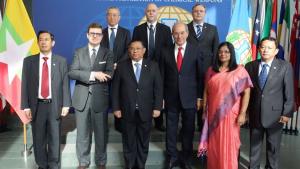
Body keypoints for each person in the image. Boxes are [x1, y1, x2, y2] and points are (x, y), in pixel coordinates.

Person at [198, 42, 252, 169]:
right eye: (221, 51)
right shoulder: (211, 70)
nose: (223, 54)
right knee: (214, 146)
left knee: (230, 145)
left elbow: (247, 93)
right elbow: (206, 91)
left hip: (230, 115)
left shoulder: (239, 70)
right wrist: (204, 111)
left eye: (226, 51)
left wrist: (243, 113)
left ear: (231, 53)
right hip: (212, 115)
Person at [21, 30, 71, 169]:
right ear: (38, 42)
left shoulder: (61, 61)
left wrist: (66, 104)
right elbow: (24, 84)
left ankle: (54, 164)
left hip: (54, 105)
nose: (43, 42)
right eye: (41, 39)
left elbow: (65, 84)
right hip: (37, 106)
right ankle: (41, 165)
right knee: (38, 138)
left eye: (47, 39)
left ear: (52, 43)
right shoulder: (29, 61)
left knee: (55, 138)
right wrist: (25, 106)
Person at [69, 23, 114, 169]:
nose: (95, 36)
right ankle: (83, 162)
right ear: (87, 35)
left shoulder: (107, 53)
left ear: (102, 36)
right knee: (82, 133)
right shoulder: (78, 52)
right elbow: (72, 72)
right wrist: (94, 74)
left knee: (101, 133)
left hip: (100, 98)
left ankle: (101, 162)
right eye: (92, 33)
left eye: (98, 34)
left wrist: (101, 75)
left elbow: (109, 74)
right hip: (81, 98)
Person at [112, 40, 163, 169]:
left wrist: (157, 107)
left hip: (146, 111)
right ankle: (129, 165)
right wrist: (116, 107)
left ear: (144, 50)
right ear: (129, 50)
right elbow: (115, 89)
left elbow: (158, 88)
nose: (135, 51)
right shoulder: (122, 66)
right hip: (127, 111)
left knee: (143, 142)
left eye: (138, 48)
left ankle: (140, 166)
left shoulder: (153, 66)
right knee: (128, 142)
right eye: (132, 48)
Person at [245, 37, 294, 169]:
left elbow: (289, 92)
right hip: (255, 113)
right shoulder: (250, 66)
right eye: (263, 47)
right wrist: (245, 112)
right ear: (259, 48)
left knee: (273, 148)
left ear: (276, 51)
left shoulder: (285, 66)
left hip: (276, 115)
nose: (265, 50)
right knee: (254, 148)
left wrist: (287, 113)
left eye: (269, 48)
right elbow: (247, 91)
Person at [160, 22, 204, 169]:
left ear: (187, 33)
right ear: (172, 34)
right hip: (170, 97)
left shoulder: (195, 50)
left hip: (190, 98)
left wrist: (199, 97)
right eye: (176, 33)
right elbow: (161, 77)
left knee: (188, 129)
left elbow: (200, 76)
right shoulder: (164, 51)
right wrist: (161, 98)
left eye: (181, 33)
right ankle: (172, 157)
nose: (179, 36)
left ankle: (186, 158)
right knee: (171, 129)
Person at [132, 3, 173, 131]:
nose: (151, 13)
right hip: (143, 67)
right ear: (145, 12)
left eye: (153, 11)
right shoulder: (138, 29)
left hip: (160, 68)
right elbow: (134, 48)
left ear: (157, 13)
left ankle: (159, 122)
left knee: (158, 92)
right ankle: (145, 121)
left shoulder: (165, 29)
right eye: (149, 11)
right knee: (143, 93)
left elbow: (169, 50)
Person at [187, 3, 219, 131]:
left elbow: (216, 49)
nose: (198, 13)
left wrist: (215, 69)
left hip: (208, 69)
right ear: (192, 13)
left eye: (201, 11)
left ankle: (202, 125)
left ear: (205, 13)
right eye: (196, 11)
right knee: (190, 96)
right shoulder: (185, 28)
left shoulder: (212, 29)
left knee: (205, 96)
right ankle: (188, 125)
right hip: (189, 69)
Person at [101, 6, 131, 132]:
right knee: (103, 97)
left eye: (115, 15)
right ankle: (102, 125)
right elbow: (99, 51)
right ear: (106, 16)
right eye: (110, 14)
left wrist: (117, 64)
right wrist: (108, 65)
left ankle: (119, 124)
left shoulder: (126, 33)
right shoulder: (100, 33)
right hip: (104, 71)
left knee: (119, 96)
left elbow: (128, 50)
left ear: (119, 17)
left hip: (120, 70)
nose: (112, 17)